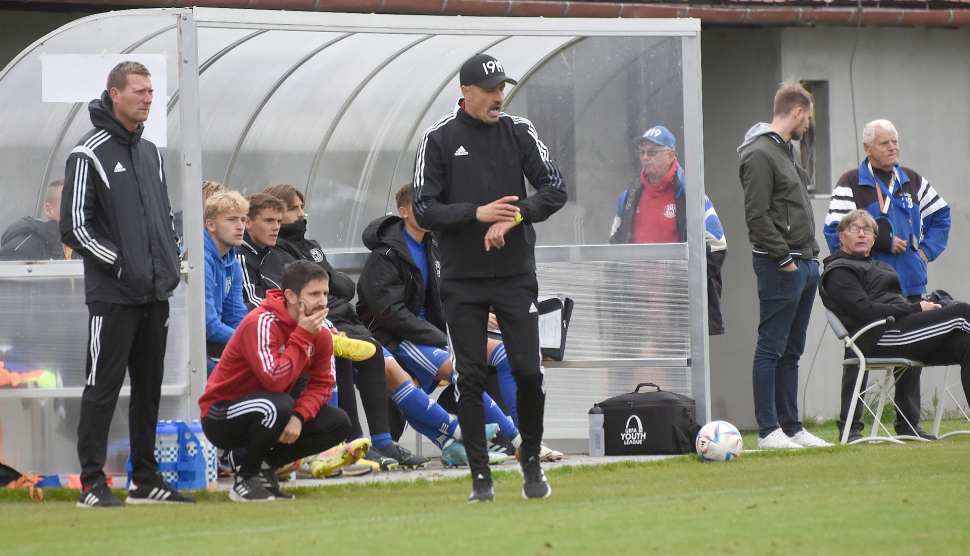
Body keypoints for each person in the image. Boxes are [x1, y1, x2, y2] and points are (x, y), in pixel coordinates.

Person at [412, 53, 567, 502]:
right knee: (471, 377)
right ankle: (481, 477)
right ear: (466, 93)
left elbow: (555, 188)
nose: (500, 96)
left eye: (503, 87)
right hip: (461, 280)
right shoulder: (438, 139)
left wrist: (515, 217)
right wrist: (476, 215)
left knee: (527, 372)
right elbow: (423, 207)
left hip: (515, 275)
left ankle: (531, 460)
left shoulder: (519, 131)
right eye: (491, 88)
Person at [61, 61, 194, 507]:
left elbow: (162, 216)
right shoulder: (88, 152)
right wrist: (123, 264)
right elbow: (75, 227)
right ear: (115, 94)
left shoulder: (151, 151)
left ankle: (146, 479)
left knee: (149, 389)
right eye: (140, 91)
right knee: (102, 387)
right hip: (114, 296)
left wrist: (170, 258)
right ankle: (93, 485)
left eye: (152, 92)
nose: (149, 99)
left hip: (156, 295)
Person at [358, 183, 545, 464]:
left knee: (507, 355)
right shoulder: (384, 256)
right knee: (462, 375)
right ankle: (516, 443)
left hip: (437, 333)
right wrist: (440, 336)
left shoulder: (434, 245)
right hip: (401, 338)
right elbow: (390, 313)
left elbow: (455, 289)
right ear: (403, 212)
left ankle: (527, 437)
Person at [263, 184, 429, 470]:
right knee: (400, 364)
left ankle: (385, 441)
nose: (302, 214)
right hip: (332, 326)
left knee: (377, 354)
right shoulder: (275, 252)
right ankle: (455, 436)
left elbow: (345, 286)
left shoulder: (311, 246)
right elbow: (312, 295)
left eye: (301, 207)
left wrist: (325, 277)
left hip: (349, 323)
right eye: (291, 209)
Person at [823, 119, 951, 441]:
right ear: (867, 148)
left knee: (913, 354)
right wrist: (877, 246)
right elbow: (835, 230)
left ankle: (908, 426)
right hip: (870, 288)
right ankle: (850, 429)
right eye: (885, 143)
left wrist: (924, 252)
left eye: (895, 141)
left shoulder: (912, 180)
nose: (893, 147)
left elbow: (942, 215)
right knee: (859, 356)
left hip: (910, 281)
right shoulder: (851, 181)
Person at [199, 260, 364, 502]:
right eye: (314, 294)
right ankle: (245, 479)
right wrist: (302, 336)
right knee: (279, 403)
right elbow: (275, 380)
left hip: (270, 409)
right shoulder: (260, 322)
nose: (322, 302)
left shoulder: (322, 335)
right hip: (221, 414)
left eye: (325, 294)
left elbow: (323, 385)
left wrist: (298, 418)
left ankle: (265, 468)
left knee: (338, 422)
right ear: (290, 296)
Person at [819, 209, 969, 442]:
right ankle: (859, 428)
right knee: (963, 313)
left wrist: (925, 306)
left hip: (903, 331)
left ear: (873, 239)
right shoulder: (839, 271)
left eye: (867, 230)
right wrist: (917, 309)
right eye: (854, 229)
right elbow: (866, 312)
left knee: (966, 343)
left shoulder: (882, 267)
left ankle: (908, 425)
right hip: (878, 338)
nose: (861, 234)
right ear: (841, 236)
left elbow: (898, 305)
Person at [737, 79, 831, 450]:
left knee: (792, 350)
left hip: (805, 262)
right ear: (796, 112)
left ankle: (791, 427)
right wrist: (785, 259)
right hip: (781, 265)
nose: (808, 125)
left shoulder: (785, 151)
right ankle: (767, 431)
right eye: (807, 117)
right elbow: (757, 216)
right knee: (771, 348)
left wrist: (808, 259)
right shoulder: (759, 153)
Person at [610, 125, 727, 335]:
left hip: (678, 311)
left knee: (679, 368)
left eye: (653, 152)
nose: (645, 157)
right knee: (640, 368)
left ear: (671, 155)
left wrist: (680, 285)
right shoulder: (627, 198)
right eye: (642, 152)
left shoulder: (691, 196)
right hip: (636, 310)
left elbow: (717, 247)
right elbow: (613, 250)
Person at [203, 191, 249, 376]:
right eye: (231, 219)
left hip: (216, 342)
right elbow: (207, 326)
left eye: (243, 220)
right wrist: (247, 342)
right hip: (191, 348)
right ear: (211, 225)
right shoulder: (198, 260)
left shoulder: (232, 262)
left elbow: (235, 315)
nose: (240, 227)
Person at [0, 180, 76, 261]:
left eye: (81, 205)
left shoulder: (84, 244)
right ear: (49, 210)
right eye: (68, 205)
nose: (76, 211)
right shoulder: (25, 245)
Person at [237, 193, 286, 311]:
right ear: (247, 223)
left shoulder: (273, 255)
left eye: (279, 221)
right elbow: (254, 301)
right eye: (269, 221)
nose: (276, 227)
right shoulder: (240, 256)